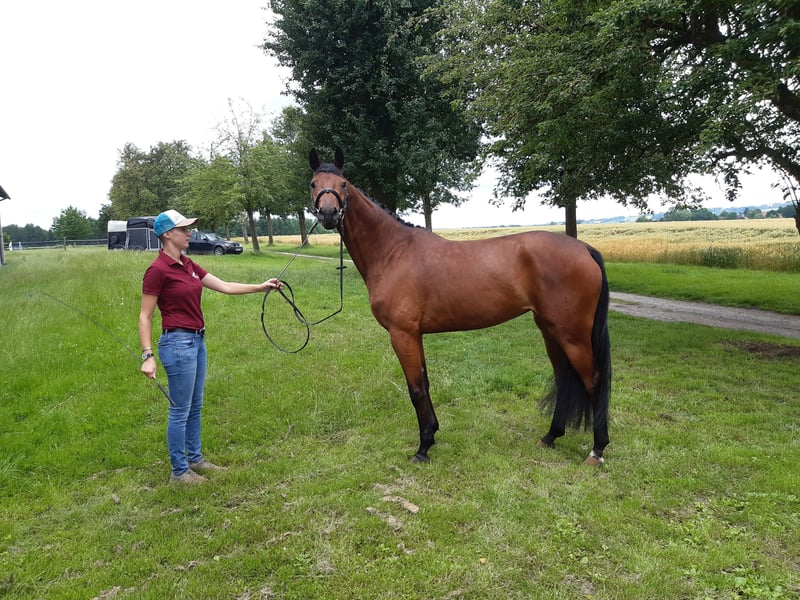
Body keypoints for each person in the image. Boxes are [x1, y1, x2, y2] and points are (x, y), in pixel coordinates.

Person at [138, 209, 282, 484]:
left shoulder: (188, 264)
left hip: (197, 341)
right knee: (179, 410)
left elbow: (225, 286)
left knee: (195, 406)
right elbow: (145, 316)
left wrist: (261, 287)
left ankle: (195, 459)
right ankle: (179, 472)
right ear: (167, 234)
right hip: (177, 344)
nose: (189, 232)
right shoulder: (157, 270)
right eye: (184, 229)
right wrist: (148, 356)